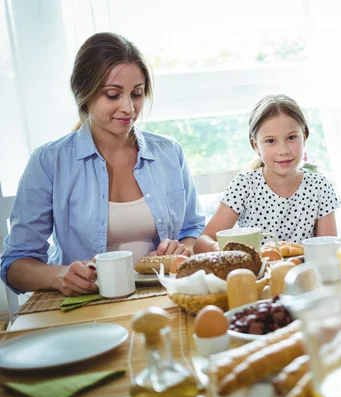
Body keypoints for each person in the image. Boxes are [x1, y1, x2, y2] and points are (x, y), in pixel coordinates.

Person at [1, 33, 206, 296]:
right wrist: (60, 276)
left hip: (161, 295)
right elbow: (15, 264)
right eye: (112, 95)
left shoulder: (169, 152)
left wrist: (184, 249)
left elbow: (193, 229)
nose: (129, 108)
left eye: (137, 94)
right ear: (84, 94)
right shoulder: (50, 161)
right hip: (84, 304)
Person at [194, 94, 340, 253]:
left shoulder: (319, 186)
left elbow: (328, 249)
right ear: (255, 145)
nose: (283, 151)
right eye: (271, 141)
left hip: (304, 275)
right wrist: (219, 248)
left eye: (291, 137)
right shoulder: (245, 185)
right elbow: (202, 242)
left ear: (304, 137)